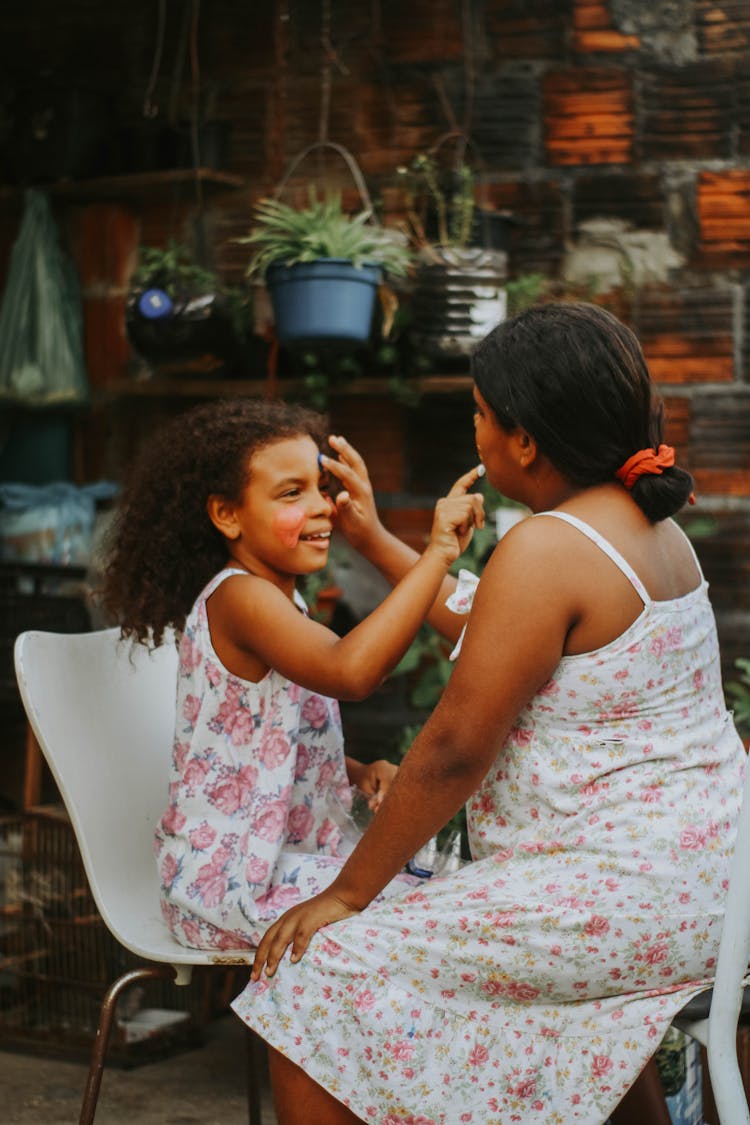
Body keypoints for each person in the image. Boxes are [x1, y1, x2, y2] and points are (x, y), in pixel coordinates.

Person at [233, 302, 747, 1125]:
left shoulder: (547, 549)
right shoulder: (647, 527)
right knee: (560, 1014)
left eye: (478, 413)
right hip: (706, 886)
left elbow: (452, 751)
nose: (472, 431)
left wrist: (347, 892)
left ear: (525, 440)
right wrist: (373, 537)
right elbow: (490, 623)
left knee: (312, 971)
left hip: (622, 898)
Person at [99, 397, 484, 951]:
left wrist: (354, 771)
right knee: (420, 918)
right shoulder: (241, 599)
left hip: (287, 863)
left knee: (435, 898)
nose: (323, 507)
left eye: (321, 488)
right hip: (228, 885)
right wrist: (436, 555)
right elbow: (351, 671)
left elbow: (265, 745)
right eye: (291, 492)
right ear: (226, 515)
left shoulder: (283, 601)